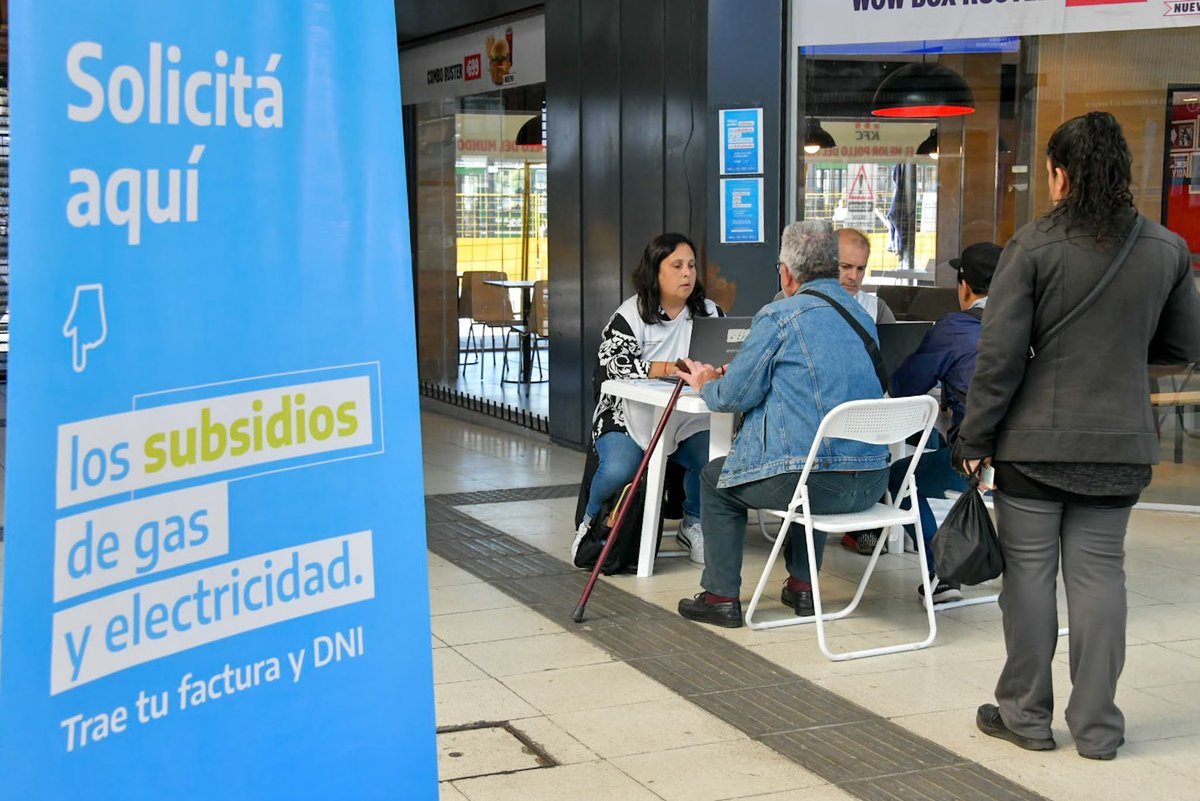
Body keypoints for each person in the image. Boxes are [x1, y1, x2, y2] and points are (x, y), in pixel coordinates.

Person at [956, 112, 1200, 761]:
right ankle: (1097, 729)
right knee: (1100, 580)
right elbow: (1183, 345)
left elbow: (1000, 358)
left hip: (1034, 447)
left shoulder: (1032, 245)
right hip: (1120, 445)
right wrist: (1118, 355)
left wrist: (974, 437)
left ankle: (1026, 716)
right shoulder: (1166, 248)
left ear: (1059, 174)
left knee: (1029, 581)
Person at [674, 220, 890, 628]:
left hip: (813, 485)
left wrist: (706, 383)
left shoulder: (779, 316)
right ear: (832, 267)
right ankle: (803, 587)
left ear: (786, 274)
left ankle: (720, 597)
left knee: (717, 480)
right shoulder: (863, 318)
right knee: (815, 459)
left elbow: (732, 397)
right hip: (872, 482)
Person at [573, 232, 723, 565]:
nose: (687, 273)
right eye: (677, 266)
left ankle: (693, 523)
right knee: (618, 469)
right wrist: (668, 367)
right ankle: (590, 525)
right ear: (655, 271)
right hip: (628, 415)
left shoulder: (709, 312)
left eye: (691, 266)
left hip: (687, 417)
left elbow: (726, 356)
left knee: (712, 457)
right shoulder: (632, 313)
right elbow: (611, 365)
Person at [887, 241, 1002, 604]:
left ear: (964, 286)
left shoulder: (955, 328)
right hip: (1032, 458)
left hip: (976, 460)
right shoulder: (1032, 323)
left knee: (901, 476)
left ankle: (942, 574)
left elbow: (905, 386)